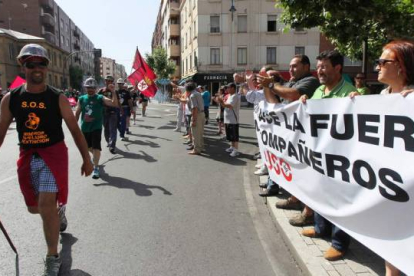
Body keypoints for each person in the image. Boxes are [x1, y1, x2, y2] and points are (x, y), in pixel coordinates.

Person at [0, 44, 93, 276]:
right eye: (31, 64)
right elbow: (0, 131)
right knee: (36, 209)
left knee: (44, 204)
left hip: (53, 156)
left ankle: (52, 256)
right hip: (28, 156)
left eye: (41, 63)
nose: (37, 68)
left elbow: (75, 130)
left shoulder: (57, 98)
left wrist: (86, 158)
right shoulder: (11, 99)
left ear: (46, 67)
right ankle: (59, 212)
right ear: (23, 66)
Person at [351, 39, 414, 276]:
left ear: (401, 66)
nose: (377, 66)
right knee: (392, 246)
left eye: (382, 61)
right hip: (390, 187)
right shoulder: (382, 95)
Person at [299, 50, 356, 261]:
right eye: (319, 66)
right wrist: (305, 100)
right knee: (321, 194)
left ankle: (339, 243)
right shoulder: (319, 91)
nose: (320, 71)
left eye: (324, 67)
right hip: (321, 157)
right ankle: (320, 228)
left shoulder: (349, 93)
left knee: (339, 200)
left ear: (338, 68)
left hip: (341, 159)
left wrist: (357, 102)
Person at [258, 55, 320, 225]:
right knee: (295, 170)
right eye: (290, 66)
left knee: (307, 173)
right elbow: (274, 103)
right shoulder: (291, 81)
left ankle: (308, 211)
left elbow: (292, 95)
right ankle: (294, 198)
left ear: (306, 67)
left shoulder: (310, 81)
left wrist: (271, 84)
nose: (291, 69)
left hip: (305, 138)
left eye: (295, 66)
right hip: (291, 136)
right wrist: (267, 86)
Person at [75, 77, 119, 179]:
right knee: (87, 147)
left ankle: (96, 167)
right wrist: (74, 127)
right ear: (85, 88)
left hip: (96, 128)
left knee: (96, 147)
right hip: (85, 128)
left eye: (92, 87)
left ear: (95, 88)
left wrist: (113, 92)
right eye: (88, 87)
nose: (90, 89)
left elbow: (114, 103)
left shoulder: (100, 98)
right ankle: (95, 159)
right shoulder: (81, 99)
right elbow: (77, 113)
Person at [216, 83, 241, 157]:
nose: (227, 89)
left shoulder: (235, 96)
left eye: (228, 88)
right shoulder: (229, 96)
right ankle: (232, 147)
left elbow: (229, 105)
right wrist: (219, 100)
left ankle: (236, 150)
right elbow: (224, 105)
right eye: (227, 88)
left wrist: (221, 101)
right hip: (228, 118)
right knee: (230, 135)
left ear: (233, 88)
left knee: (234, 135)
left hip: (233, 119)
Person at [98, 75, 119, 154]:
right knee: (106, 129)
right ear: (105, 82)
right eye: (108, 81)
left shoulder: (115, 91)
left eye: (111, 81)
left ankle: (112, 146)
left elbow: (117, 103)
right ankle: (108, 141)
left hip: (113, 112)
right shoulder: (101, 91)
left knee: (113, 129)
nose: (109, 82)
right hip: (104, 113)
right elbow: (97, 100)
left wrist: (121, 110)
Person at [186, 82, 205, 155]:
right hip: (202, 114)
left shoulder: (192, 95)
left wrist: (194, 120)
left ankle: (196, 149)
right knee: (200, 133)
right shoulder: (198, 93)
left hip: (197, 114)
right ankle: (201, 147)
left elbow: (195, 108)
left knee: (195, 133)